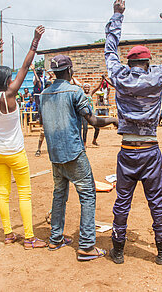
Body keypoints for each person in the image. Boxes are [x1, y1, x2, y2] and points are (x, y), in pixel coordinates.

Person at [105, 0, 162, 265]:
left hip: (127, 150)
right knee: (157, 201)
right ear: (148, 63)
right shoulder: (157, 76)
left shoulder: (118, 74)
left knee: (122, 201)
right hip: (150, 150)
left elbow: (109, 49)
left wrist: (117, 15)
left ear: (129, 63)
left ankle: (117, 249)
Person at [40, 54, 118, 260]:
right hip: (73, 153)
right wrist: (112, 119)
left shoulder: (44, 94)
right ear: (70, 71)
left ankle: (55, 238)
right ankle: (86, 245)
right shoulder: (75, 92)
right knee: (88, 195)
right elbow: (92, 120)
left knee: (59, 195)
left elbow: (44, 122)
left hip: (55, 155)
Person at [0, 26, 47, 249]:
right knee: (24, 194)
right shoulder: (9, 95)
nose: (12, 77)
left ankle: (8, 233)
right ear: (4, 81)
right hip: (16, 152)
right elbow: (26, 66)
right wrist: (35, 42)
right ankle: (29, 237)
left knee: (3, 192)